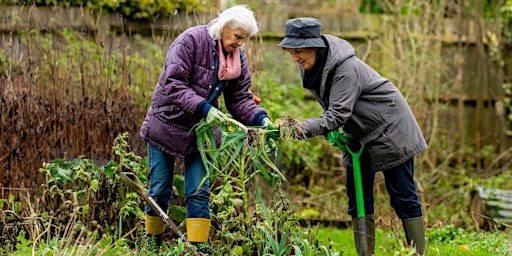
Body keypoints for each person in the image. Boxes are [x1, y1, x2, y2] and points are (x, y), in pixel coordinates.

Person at [274, 18, 427, 255]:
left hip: (391, 130)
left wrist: (300, 128)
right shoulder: (315, 67)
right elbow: (335, 110)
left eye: (299, 51)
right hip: (359, 134)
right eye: (291, 52)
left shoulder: (345, 70)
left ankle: (418, 253)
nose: (295, 58)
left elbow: (336, 114)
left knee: (402, 196)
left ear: (316, 47)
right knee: (357, 197)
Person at [139, 5, 272, 247]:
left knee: (198, 191)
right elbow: (173, 83)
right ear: (223, 29)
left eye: (245, 39)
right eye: (238, 37)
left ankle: (196, 249)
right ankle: (152, 246)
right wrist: (205, 108)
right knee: (159, 189)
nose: (241, 44)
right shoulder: (190, 41)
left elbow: (240, 99)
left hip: (201, 131)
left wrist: (261, 119)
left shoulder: (236, 56)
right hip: (167, 122)